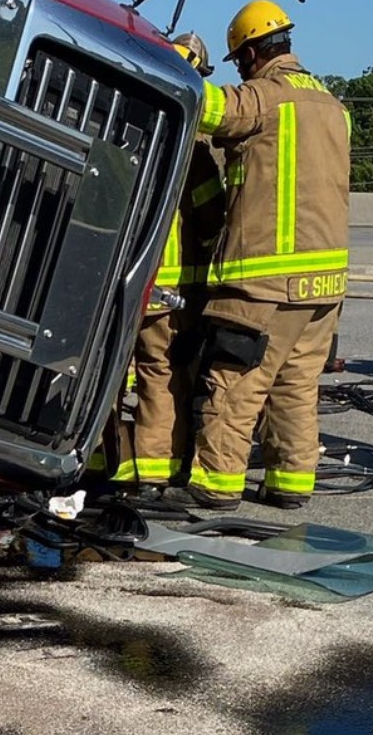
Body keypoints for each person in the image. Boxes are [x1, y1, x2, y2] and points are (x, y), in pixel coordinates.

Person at [161, 0, 350, 511]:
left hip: (264, 281)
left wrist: (170, 60)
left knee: (235, 384)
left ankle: (216, 485)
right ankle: (290, 484)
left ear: (249, 54)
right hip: (324, 285)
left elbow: (202, 104)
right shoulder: (333, 106)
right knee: (296, 385)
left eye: (239, 62)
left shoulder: (264, 97)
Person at [106, 34, 227, 488]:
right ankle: (155, 472)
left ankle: (104, 464)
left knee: (106, 374)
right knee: (161, 373)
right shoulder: (193, 147)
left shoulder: (122, 125)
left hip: (115, 280)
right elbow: (211, 214)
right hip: (169, 287)